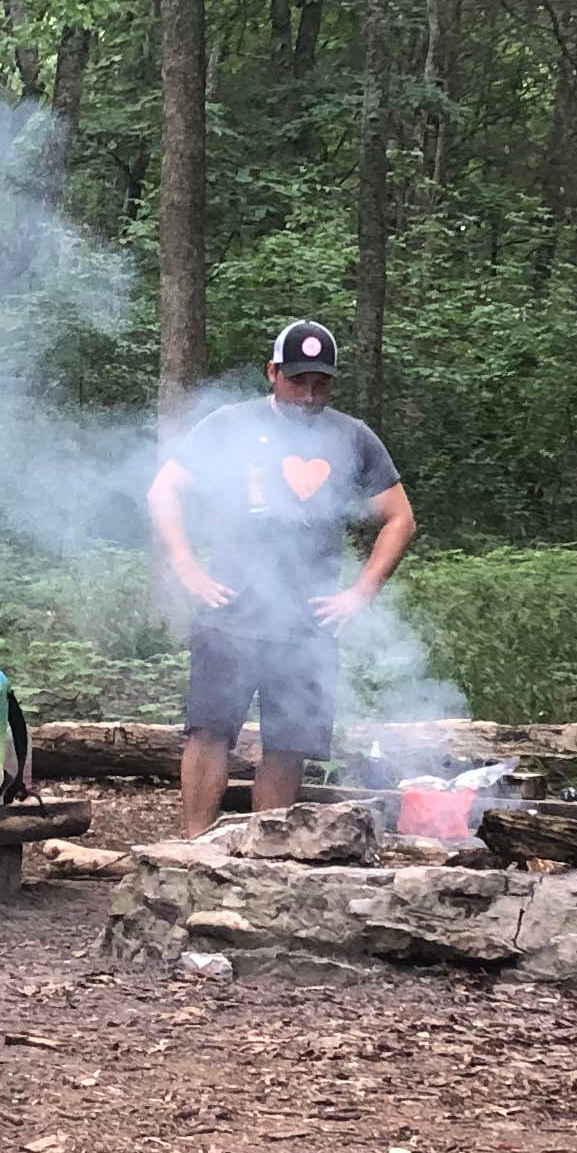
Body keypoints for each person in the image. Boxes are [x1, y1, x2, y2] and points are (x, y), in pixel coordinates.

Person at [148, 318, 420, 836]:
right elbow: (164, 491)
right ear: (272, 372)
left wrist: (360, 594)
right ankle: (193, 848)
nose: (309, 394)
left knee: (289, 744)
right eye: (298, 380)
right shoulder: (231, 426)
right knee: (209, 732)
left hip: (308, 624)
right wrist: (188, 568)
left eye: (321, 383)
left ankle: (267, 858)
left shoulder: (351, 437)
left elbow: (400, 517)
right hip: (230, 611)